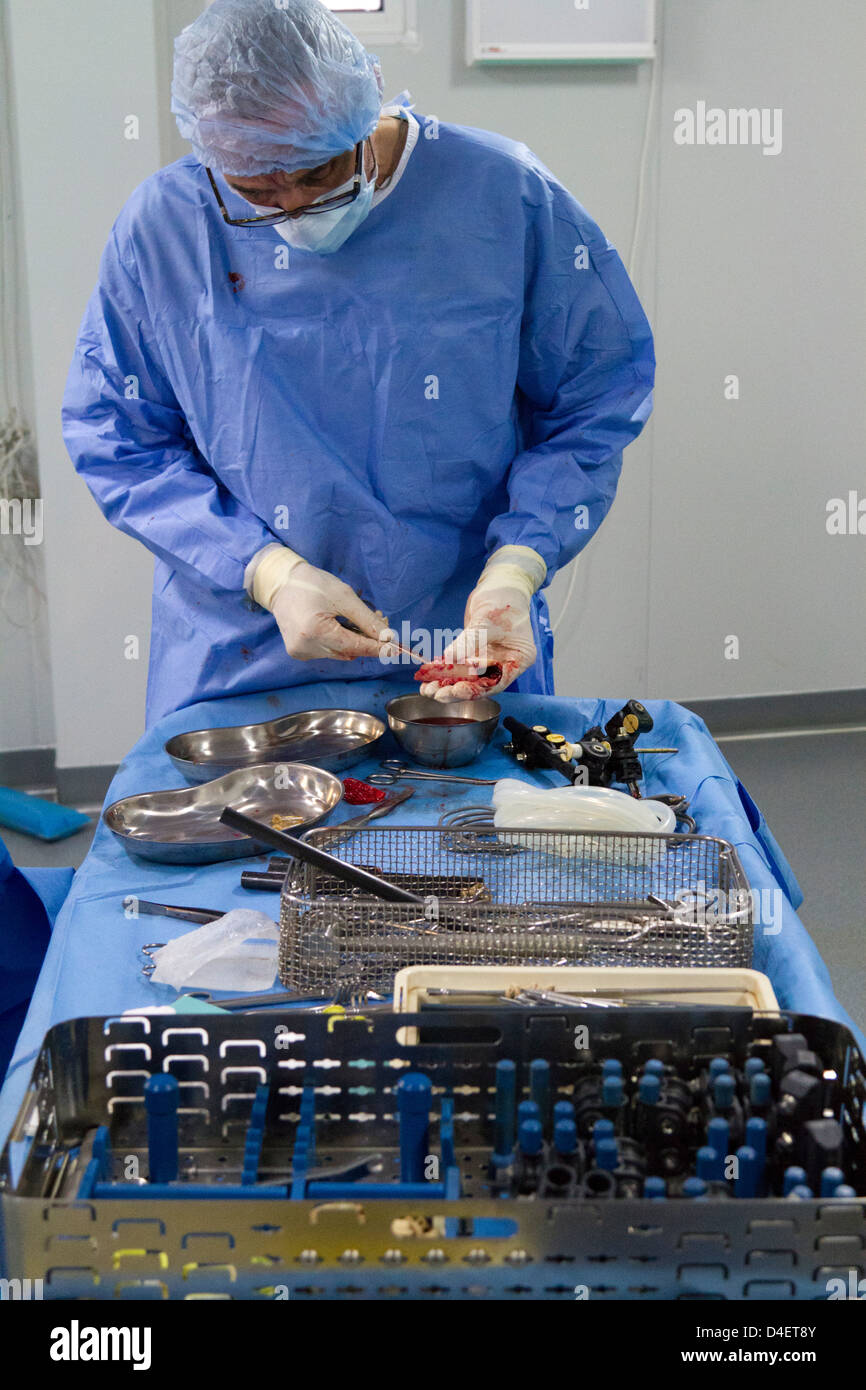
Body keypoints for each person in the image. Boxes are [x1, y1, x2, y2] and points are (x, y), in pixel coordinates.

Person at [62, 0, 654, 724]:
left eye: (317, 176)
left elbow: (594, 399)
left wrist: (516, 568)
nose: (291, 210)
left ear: (360, 111)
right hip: (241, 651)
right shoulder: (164, 228)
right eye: (255, 192)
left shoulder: (503, 194)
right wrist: (268, 573)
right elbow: (119, 438)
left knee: (468, 829)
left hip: (456, 646)